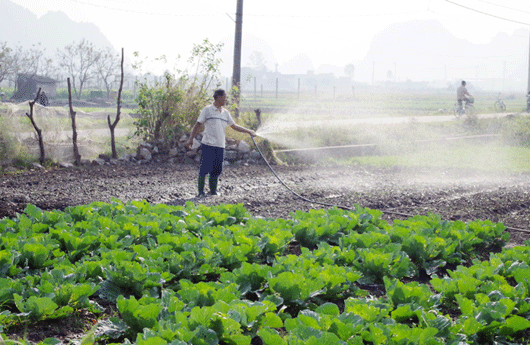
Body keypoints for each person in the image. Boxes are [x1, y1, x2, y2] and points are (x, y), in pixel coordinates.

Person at [185, 89, 256, 197]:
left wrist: (249, 131)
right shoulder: (207, 110)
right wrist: (191, 139)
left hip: (220, 146)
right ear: (218, 97)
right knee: (204, 169)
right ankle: (201, 192)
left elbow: (234, 126)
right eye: (224, 97)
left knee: (217, 169)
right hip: (208, 144)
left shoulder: (225, 113)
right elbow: (197, 125)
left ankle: (213, 191)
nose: (225, 100)